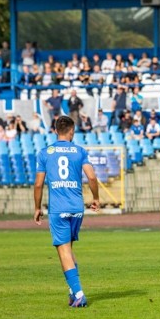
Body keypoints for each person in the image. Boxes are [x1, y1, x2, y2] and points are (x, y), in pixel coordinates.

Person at [34, 115, 100, 307]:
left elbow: (38, 184)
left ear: (55, 131)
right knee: (68, 249)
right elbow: (92, 178)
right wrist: (95, 199)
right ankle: (73, 291)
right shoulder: (79, 151)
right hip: (77, 207)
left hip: (58, 208)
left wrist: (37, 207)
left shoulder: (45, 152)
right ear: (71, 131)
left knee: (63, 250)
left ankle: (79, 294)